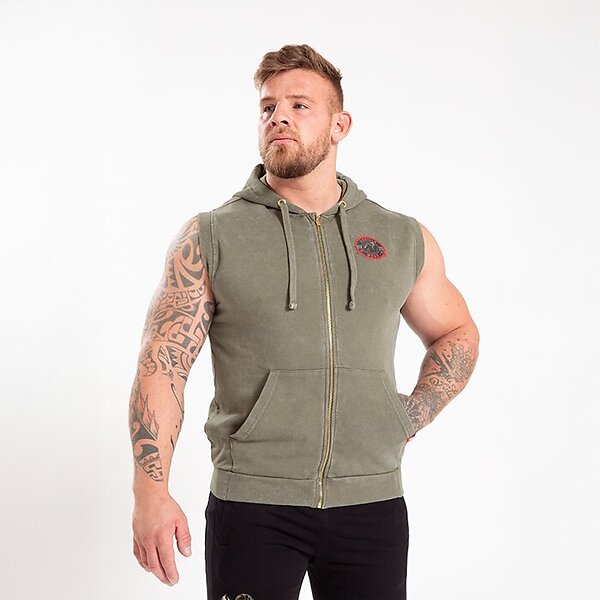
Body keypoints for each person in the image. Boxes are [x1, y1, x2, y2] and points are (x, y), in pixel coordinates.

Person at [129, 43, 480, 600]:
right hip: (253, 506)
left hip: (372, 504)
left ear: (340, 125)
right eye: (268, 107)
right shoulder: (211, 236)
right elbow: (163, 364)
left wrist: (412, 411)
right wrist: (151, 492)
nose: (279, 118)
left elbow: (455, 332)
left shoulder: (400, 237)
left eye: (299, 105)